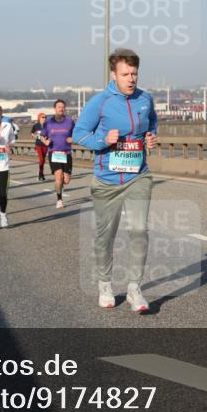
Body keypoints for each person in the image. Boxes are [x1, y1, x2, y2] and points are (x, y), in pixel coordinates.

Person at [74, 49, 157, 312]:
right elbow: (79, 133)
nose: (131, 79)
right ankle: (105, 285)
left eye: (134, 74)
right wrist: (102, 141)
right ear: (114, 74)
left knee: (139, 231)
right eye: (125, 74)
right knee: (105, 237)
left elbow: (152, 124)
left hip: (138, 177)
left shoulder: (146, 99)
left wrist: (151, 138)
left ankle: (134, 288)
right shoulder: (100, 102)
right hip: (107, 180)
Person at [41, 100, 74, 209]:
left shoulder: (70, 121)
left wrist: (73, 138)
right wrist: (45, 142)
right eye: (59, 107)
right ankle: (59, 200)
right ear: (55, 108)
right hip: (54, 153)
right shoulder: (48, 122)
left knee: (66, 180)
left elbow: (77, 133)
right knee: (58, 177)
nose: (61, 108)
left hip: (67, 153)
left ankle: (60, 186)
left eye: (63, 107)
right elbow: (42, 136)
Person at [31, 113, 48, 181]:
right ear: (39, 118)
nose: (44, 118)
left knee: (43, 160)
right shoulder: (36, 126)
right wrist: (36, 136)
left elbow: (51, 133)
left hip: (45, 145)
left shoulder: (47, 125)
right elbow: (32, 133)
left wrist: (48, 137)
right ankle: (40, 174)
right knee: (41, 159)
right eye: (43, 117)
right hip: (38, 144)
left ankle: (41, 174)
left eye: (45, 117)